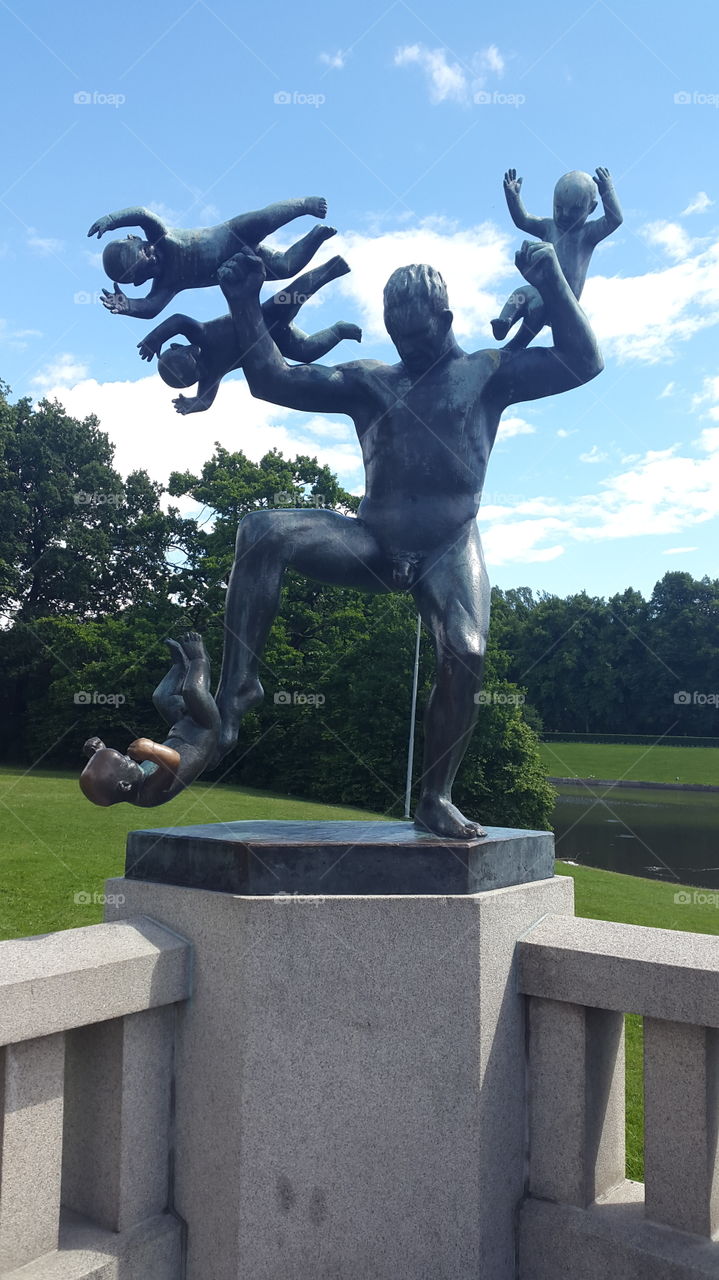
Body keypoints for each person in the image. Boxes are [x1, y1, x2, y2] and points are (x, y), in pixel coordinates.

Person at [209, 238, 604, 839]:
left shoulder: (487, 372)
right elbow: (273, 381)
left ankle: (435, 797)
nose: (406, 348)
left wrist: (552, 281)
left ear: (445, 321)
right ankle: (238, 686)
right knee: (261, 531)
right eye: (397, 337)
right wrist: (242, 303)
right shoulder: (371, 381)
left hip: (448, 545)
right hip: (372, 539)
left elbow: (583, 362)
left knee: (466, 652)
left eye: (417, 336)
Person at [137, 255, 361, 414]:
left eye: (191, 357)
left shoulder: (200, 333)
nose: (199, 360)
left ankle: (332, 268)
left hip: (263, 316)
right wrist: (192, 405)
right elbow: (206, 401)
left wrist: (155, 338)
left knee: (291, 298)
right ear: (197, 377)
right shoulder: (211, 373)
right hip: (273, 345)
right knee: (307, 351)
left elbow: (178, 321)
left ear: (179, 346)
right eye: (196, 370)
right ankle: (338, 330)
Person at [87, 196, 335, 319]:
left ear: (137, 239)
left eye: (146, 251)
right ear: (142, 280)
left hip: (232, 233)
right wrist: (128, 305)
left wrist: (112, 220)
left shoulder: (162, 235)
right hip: (242, 263)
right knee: (285, 267)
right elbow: (152, 308)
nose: (153, 258)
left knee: (265, 221)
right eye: (147, 268)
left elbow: (143, 213)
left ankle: (304, 204)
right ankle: (316, 237)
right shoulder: (168, 284)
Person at [79, 633, 219, 808]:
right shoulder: (148, 794)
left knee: (160, 697)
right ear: (125, 785)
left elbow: (113, 771)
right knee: (192, 691)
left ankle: (180, 666)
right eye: (126, 761)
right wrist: (151, 749)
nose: (128, 757)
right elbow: (173, 761)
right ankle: (201, 659)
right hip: (203, 731)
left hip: (181, 729)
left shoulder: (128, 782)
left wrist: (98, 753)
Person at [491, 166, 622, 349]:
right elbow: (523, 220)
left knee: (539, 303)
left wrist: (607, 192)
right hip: (541, 288)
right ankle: (504, 322)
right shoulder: (548, 227)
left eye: (575, 210)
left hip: (564, 299)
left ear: (591, 208)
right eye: (558, 208)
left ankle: (517, 344)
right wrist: (513, 197)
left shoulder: (587, 234)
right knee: (521, 293)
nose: (565, 215)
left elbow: (614, 220)